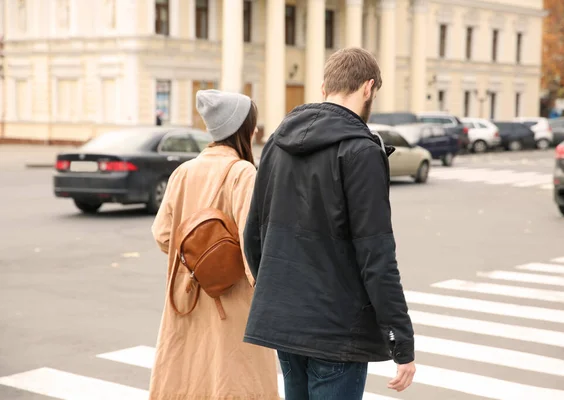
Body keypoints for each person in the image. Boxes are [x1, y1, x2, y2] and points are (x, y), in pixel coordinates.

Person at [243, 47, 416, 399]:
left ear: (324, 89)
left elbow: (253, 233)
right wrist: (401, 340)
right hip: (338, 328)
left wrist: (277, 293)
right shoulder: (361, 150)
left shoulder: (276, 141)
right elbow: (376, 254)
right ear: (369, 88)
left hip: (286, 321)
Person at [149, 90, 279, 400]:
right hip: (234, 305)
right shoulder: (243, 172)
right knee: (235, 383)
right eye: (253, 125)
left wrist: (198, 260)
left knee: (191, 381)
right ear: (242, 130)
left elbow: (163, 235)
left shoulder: (184, 172)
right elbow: (253, 248)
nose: (256, 131)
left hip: (187, 296)